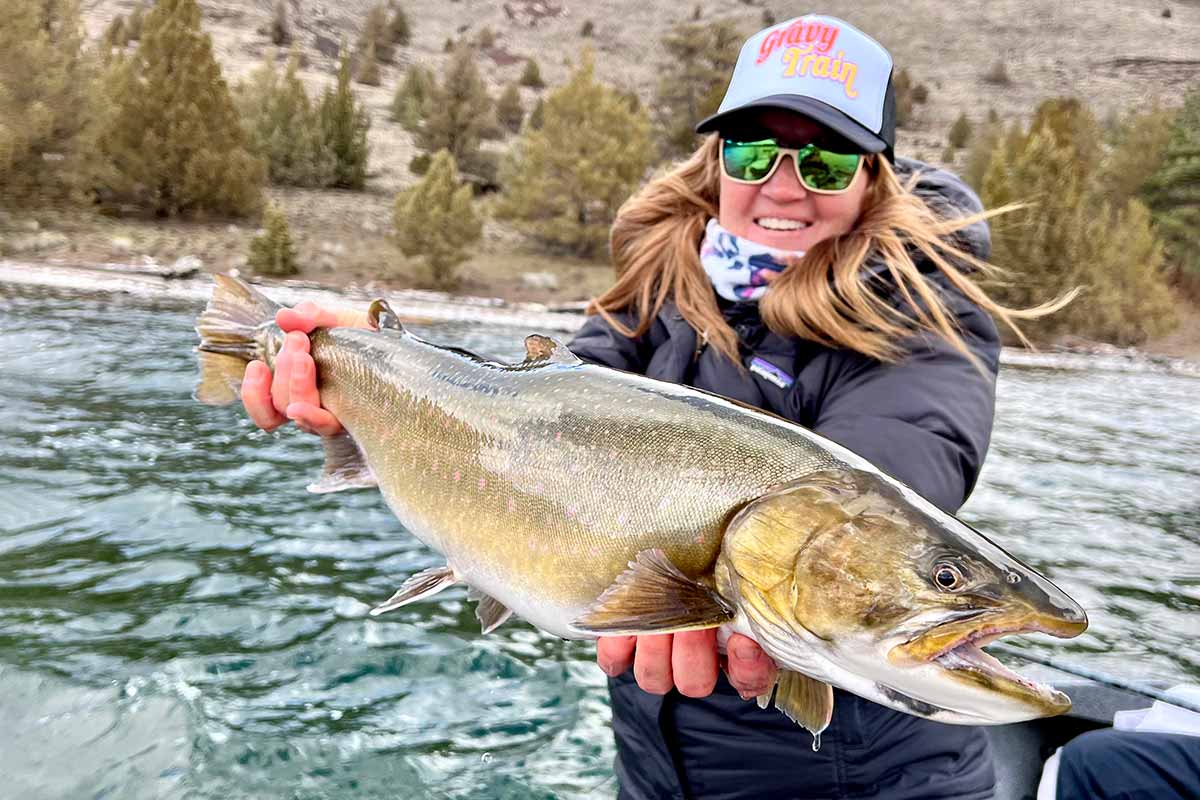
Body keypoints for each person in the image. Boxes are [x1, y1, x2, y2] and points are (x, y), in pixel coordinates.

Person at [241, 14, 1060, 799]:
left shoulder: (924, 316)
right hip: (657, 762)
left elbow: (900, 463)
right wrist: (371, 361)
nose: (784, 185)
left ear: (874, 178)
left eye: (827, 162)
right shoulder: (653, 291)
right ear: (717, 162)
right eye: (753, 151)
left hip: (868, 776)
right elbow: (529, 409)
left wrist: (915, 581)